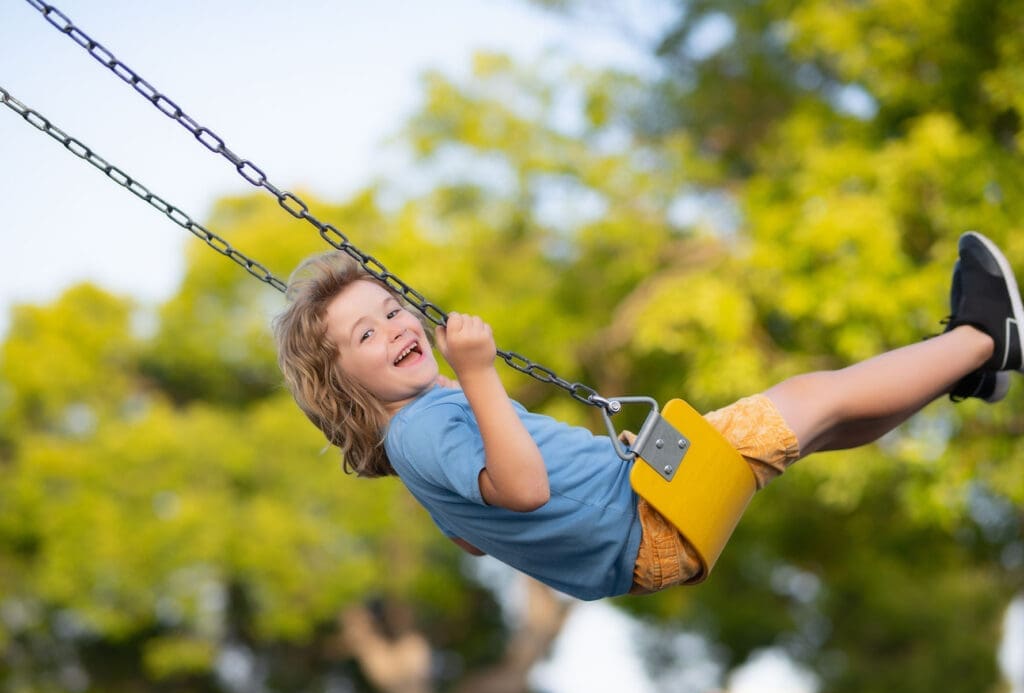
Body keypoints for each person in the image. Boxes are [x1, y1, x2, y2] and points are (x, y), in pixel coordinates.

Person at [273, 232, 1023, 601]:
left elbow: (473, 537)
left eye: (393, 308)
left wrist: (590, 473)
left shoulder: (420, 443)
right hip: (647, 516)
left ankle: (967, 366)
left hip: (641, 518)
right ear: (344, 388)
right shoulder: (428, 425)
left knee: (816, 425)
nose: (397, 326)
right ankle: (986, 333)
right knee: (811, 398)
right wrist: (478, 375)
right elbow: (525, 490)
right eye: (365, 335)